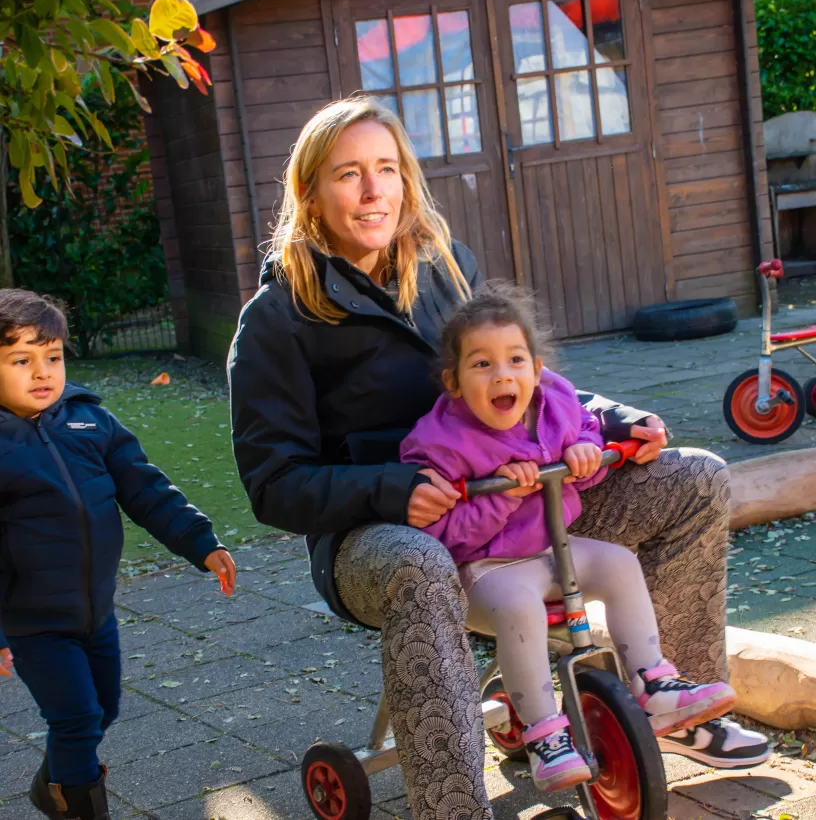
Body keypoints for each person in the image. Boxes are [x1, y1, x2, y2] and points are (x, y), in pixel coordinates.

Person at [229, 96, 768, 820]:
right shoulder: (277, 318)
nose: (371, 191)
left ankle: (679, 702)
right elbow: (272, 486)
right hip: (377, 535)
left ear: (406, 179)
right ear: (311, 193)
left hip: (509, 494)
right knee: (417, 566)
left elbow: (514, 372)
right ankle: (453, 806)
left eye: (385, 169)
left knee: (695, 478)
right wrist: (392, 491)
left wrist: (613, 419)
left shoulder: (447, 269)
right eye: (348, 174)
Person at [399, 283, 736, 792]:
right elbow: (443, 535)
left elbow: (587, 434)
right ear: (454, 382)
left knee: (620, 562)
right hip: (485, 570)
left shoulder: (552, 400)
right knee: (518, 606)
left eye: (515, 360)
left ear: (536, 370)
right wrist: (503, 496)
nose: (502, 375)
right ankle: (543, 735)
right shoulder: (442, 440)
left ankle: (654, 681)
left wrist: (583, 451)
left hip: (551, 547)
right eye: (481, 365)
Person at [0, 290, 237, 820]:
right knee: (77, 720)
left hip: (96, 613)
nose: (42, 373)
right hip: (33, 622)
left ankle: (55, 783)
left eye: (52, 357)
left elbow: (146, 490)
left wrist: (201, 542)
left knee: (103, 710)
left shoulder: (89, 422)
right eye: (21, 360)